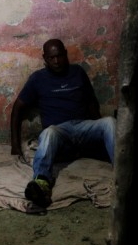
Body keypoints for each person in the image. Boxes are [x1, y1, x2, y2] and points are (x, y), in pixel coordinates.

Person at [10, 38, 116, 208]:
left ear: (66, 54)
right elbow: (17, 109)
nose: (56, 61)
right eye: (51, 58)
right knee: (49, 132)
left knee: (110, 122)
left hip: (83, 126)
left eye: (59, 56)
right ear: (45, 58)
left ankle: (123, 172)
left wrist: (99, 129)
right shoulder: (38, 79)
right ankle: (41, 183)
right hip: (59, 132)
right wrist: (14, 145)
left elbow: (91, 101)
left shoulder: (78, 72)